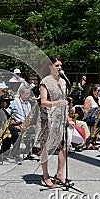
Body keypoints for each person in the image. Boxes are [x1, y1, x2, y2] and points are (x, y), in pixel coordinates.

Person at [37, 56, 73, 188]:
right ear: (50, 67)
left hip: (61, 118)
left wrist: (68, 118)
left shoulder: (63, 81)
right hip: (48, 118)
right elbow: (44, 102)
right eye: (57, 65)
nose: (60, 68)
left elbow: (64, 103)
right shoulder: (45, 82)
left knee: (64, 146)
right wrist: (57, 103)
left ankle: (60, 173)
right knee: (46, 148)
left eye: (60, 65)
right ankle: (45, 175)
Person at [0, 93, 21, 162]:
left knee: (14, 132)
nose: (9, 104)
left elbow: (9, 122)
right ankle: (14, 154)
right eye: (7, 102)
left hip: (3, 128)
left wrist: (18, 123)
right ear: (3, 102)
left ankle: (4, 154)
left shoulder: (3, 110)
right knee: (14, 132)